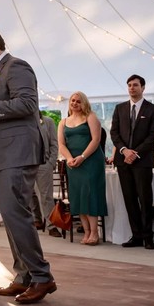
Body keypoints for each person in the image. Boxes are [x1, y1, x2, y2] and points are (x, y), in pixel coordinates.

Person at [0, 28, 56, 305]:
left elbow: (28, 104)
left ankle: (42, 277)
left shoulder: (16, 66)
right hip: (1, 155)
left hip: (15, 154)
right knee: (12, 215)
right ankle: (23, 276)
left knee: (18, 216)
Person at [110, 74, 154, 250]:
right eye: (129, 85)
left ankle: (148, 237)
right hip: (123, 161)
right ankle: (136, 235)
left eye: (135, 85)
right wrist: (124, 151)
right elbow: (114, 133)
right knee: (129, 200)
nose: (132, 88)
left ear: (143, 88)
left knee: (145, 199)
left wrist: (136, 153)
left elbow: (153, 136)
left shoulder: (153, 110)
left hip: (142, 161)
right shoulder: (119, 109)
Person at [59, 92, 107, 246]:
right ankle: (86, 232)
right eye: (73, 100)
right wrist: (69, 158)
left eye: (78, 101)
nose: (74, 103)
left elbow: (96, 140)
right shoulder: (63, 121)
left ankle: (94, 233)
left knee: (90, 194)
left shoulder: (90, 117)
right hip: (73, 164)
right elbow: (61, 144)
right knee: (78, 196)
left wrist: (82, 157)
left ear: (84, 103)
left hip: (91, 161)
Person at [33, 112, 60, 237]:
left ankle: (52, 225)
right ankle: (36, 220)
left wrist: (51, 163)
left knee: (46, 196)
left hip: (44, 163)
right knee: (29, 195)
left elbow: (54, 144)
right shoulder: (22, 121)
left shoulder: (48, 122)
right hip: (26, 164)